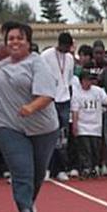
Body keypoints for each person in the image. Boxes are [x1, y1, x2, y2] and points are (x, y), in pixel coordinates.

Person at [0, 22, 59, 212]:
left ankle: (28, 203)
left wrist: (31, 107)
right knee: (21, 168)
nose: (14, 42)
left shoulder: (37, 64)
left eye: (19, 38)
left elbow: (46, 95)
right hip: (8, 125)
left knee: (37, 172)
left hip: (42, 127)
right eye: (10, 38)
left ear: (28, 42)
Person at [41, 32, 76, 182]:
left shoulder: (70, 58)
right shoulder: (46, 55)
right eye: (67, 46)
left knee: (62, 138)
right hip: (51, 99)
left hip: (64, 100)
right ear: (60, 44)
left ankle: (61, 169)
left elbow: (68, 79)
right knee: (49, 135)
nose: (68, 49)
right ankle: (46, 168)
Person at [71, 70, 107, 178]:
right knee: (85, 148)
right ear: (81, 81)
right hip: (83, 125)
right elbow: (75, 110)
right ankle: (86, 167)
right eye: (87, 80)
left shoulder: (97, 91)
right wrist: (75, 125)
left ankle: (94, 167)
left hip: (96, 125)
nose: (89, 82)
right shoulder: (77, 93)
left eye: (90, 80)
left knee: (95, 148)